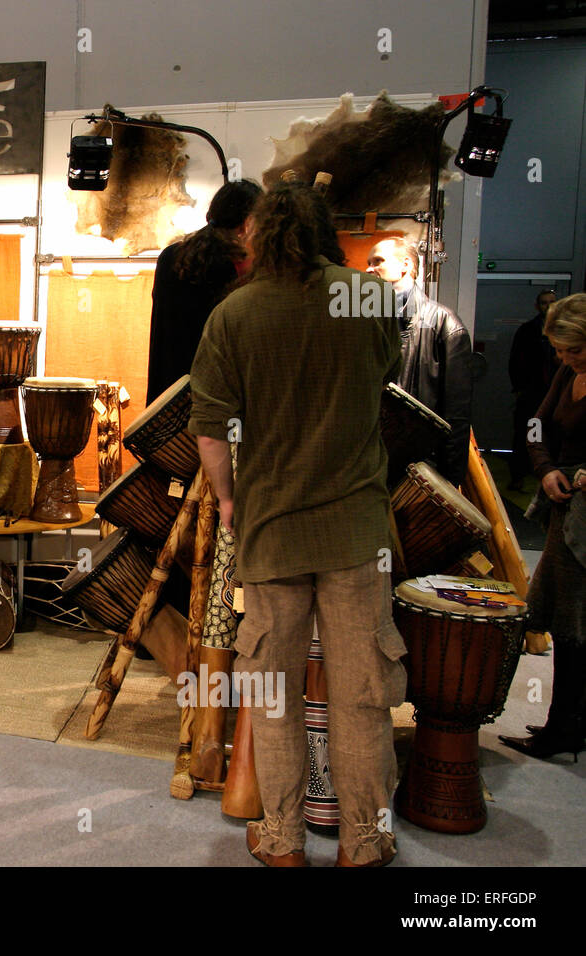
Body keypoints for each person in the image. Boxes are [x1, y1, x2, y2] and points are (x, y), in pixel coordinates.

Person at [191, 183, 405, 867]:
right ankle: (363, 842)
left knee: (273, 695)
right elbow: (383, 383)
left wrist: (228, 501)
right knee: (362, 698)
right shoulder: (367, 298)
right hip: (355, 533)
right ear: (323, 232)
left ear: (256, 236)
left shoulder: (235, 313)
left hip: (271, 531)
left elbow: (213, 434)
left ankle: (282, 838)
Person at [499, 294, 586, 760]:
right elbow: (536, 426)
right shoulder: (569, 373)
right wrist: (546, 466)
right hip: (565, 507)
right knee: (561, 619)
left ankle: (564, 731)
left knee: (575, 624)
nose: (563, 358)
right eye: (559, 350)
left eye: (573, 350)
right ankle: (565, 725)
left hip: (583, 519)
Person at [366, 237, 474, 484]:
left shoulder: (445, 325)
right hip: (373, 464)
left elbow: (456, 417)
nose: (369, 269)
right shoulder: (369, 322)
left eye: (378, 261)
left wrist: (448, 482)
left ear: (405, 265)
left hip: (420, 468)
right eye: (368, 263)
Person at [146, 180, 262, 402]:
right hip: (211, 399)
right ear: (246, 224)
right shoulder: (236, 269)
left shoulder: (170, 256)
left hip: (167, 398)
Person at [508, 290, 560, 489]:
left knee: (550, 436)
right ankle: (519, 475)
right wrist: (520, 388)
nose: (548, 306)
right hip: (533, 394)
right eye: (544, 302)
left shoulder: (563, 330)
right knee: (528, 434)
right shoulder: (528, 330)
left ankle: (546, 474)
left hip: (553, 395)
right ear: (538, 306)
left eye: (552, 302)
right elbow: (516, 361)